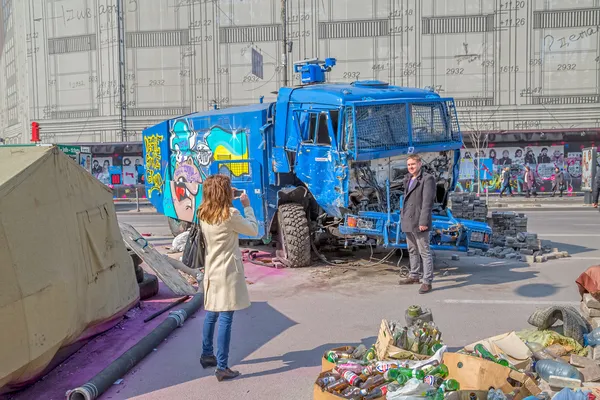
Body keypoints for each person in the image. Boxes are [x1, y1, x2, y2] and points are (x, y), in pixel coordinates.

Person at [197, 175, 258, 381]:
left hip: (211, 268)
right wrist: (247, 206)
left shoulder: (203, 213)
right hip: (227, 271)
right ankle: (222, 367)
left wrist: (226, 199)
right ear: (224, 192)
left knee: (212, 312)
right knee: (226, 316)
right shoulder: (230, 215)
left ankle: (207, 355)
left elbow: (216, 206)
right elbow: (253, 229)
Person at [398, 154, 436, 294]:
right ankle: (414, 275)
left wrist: (424, 221)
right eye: (408, 165)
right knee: (412, 250)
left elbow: (427, 202)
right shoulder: (408, 179)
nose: (410, 167)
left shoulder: (427, 179)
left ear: (420, 164)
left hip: (419, 221)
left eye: (413, 164)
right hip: (408, 220)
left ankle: (427, 281)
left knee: (424, 251)